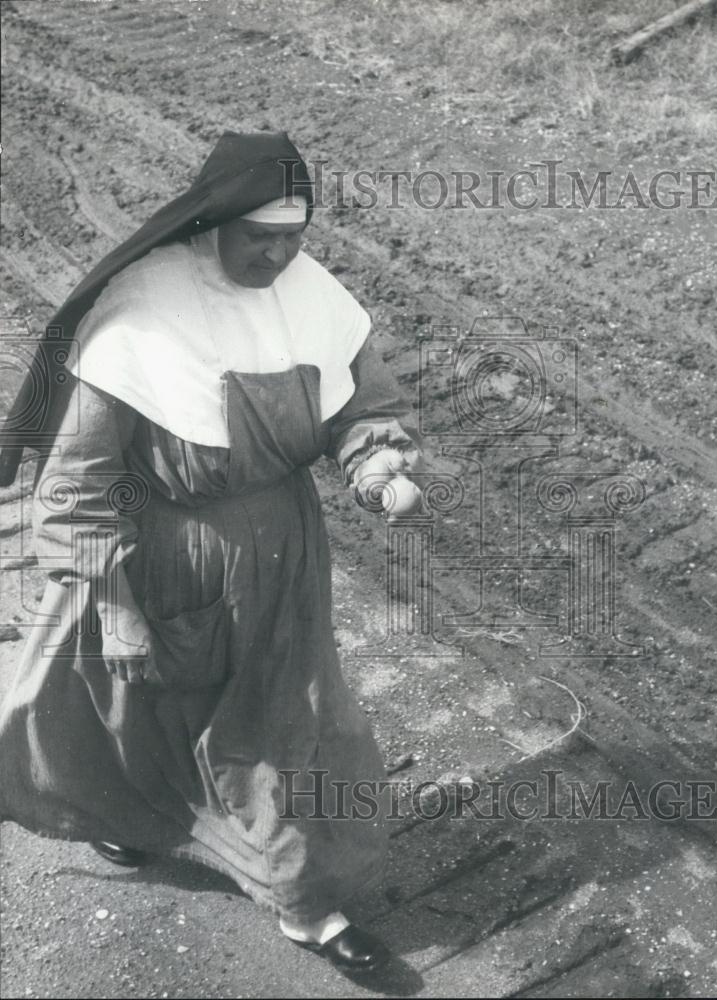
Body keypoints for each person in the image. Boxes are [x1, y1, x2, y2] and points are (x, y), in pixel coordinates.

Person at [0, 131, 424, 971]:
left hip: (280, 554)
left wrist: (376, 465)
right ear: (214, 223)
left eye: (293, 235)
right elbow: (79, 483)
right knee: (136, 710)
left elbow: (360, 407)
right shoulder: (141, 313)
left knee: (285, 727)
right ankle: (127, 819)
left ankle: (305, 904)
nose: (276, 253)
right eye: (257, 234)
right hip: (155, 553)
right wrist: (114, 609)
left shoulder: (317, 302)